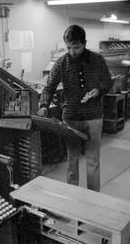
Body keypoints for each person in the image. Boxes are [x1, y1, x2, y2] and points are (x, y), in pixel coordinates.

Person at [37, 25, 113, 191]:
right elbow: (49, 87)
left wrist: (98, 90)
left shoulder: (98, 60)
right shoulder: (61, 63)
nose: (72, 51)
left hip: (93, 117)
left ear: (84, 43)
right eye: (69, 47)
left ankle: (93, 196)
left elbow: (108, 81)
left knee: (93, 161)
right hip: (70, 118)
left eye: (76, 47)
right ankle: (74, 195)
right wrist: (43, 105)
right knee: (72, 160)